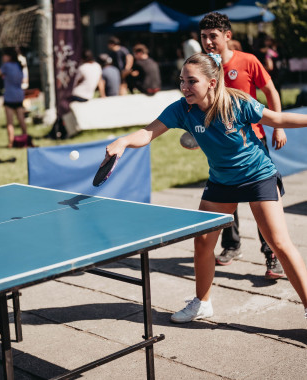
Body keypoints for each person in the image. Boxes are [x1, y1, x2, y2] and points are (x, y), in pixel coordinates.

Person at [102, 52, 307, 323]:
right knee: (202, 243)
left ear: (212, 82)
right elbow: (148, 132)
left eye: (191, 81)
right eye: (182, 80)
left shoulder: (237, 102)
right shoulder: (181, 109)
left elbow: (277, 120)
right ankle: (202, 303)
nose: (184, 87)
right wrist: (124, 141)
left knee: (279, 243)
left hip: (258, 176)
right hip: (222, 181)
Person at [199, 12, 288, 279]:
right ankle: (231, 245)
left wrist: (279, 126)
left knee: (261, 199)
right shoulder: (203, 66)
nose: (208, 42)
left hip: (254, 141)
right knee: (224, 196)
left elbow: (270, 91)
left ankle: (271, 253)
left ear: (227, 36)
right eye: (203, 37)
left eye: (213, 36)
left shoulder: (248, 61)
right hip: (219, 145)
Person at [0, 48, 27, 148]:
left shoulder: (6, 66)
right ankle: (25, 138)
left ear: (9, 56)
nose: (3, 57)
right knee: (21, 119)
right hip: (19, 95)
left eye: (4, 55)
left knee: (10, 121)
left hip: (10, 96)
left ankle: (11, 142)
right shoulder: (19, 66)